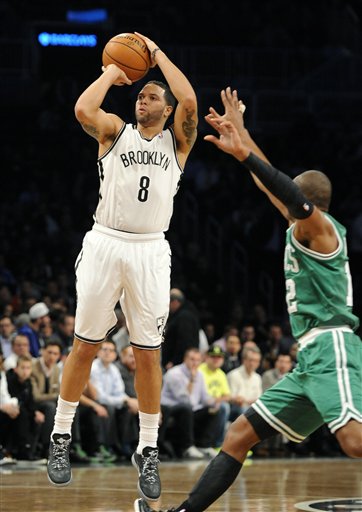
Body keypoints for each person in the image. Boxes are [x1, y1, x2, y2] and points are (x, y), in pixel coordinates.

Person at [134, 87, 362, 512]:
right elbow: (269, 181)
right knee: (239, 434)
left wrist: (243, 154)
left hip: (332, 346)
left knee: (352, 442)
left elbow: (285, 190)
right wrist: (241, 134)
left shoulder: (323, 231)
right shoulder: (301, 229)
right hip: (309, 361)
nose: (281, 198)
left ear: (306, 202)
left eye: (291, 196)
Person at [47, 31, 198, 504]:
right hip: (105, 243)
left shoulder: (179, 141)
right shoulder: (114, 130)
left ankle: (147, 448)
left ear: (167, 110)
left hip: (151, 251)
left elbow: (190, 98)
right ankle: (60, 436)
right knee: (85, 344)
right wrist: (115, 71)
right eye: (140, 95)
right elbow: (82, 111)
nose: (142, 100)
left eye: (151, 96)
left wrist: (155, 57)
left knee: (148, 353)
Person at [162, 288, 201, 369]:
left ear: (175, 302)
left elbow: (185, 342)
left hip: (178, 364)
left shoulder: (184, 317)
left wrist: (174, 361)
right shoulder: (182, 315)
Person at [227, 346, 262, 421]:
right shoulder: (234, 374)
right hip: (235, 409)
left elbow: (258, 398)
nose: (252, 363)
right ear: (244, 360)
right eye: (250, 360)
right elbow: (231, 397)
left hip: (251, 408)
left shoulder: (257, 377)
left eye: (256, 361)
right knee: (244, 410)